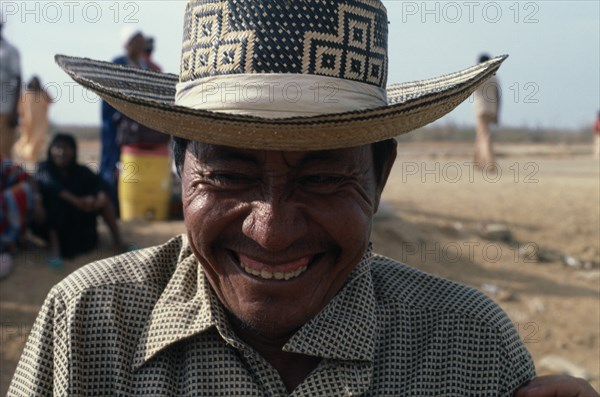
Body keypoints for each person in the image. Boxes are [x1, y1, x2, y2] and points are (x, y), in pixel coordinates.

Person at [9, 1, 599, 395]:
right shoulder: (89, 328)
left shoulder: (465, 348)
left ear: (380, 174)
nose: (271, 231)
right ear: (180, 167)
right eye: (229, 176)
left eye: (320, 180)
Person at [32, 133, 128, 266]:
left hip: (78, 223)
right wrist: (75, 201)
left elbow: (101, 184)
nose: (61, 152)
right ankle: (55, 247)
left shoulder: (81, 171)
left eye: (66, 148)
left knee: (106, 203)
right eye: (57, 147)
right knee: (53, 201)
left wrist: (98, 197)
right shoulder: (44, 168)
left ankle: (119, 242)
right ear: (51, 149)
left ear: (73, 151)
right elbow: (51, 185)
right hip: (53, 222)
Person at [99, 27, 147, 215]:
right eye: (138, 40)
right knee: (112, 162)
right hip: (115, 123)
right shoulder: (118, 63)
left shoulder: (142, 63)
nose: (142, 44)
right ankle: (109, 203)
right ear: (129, 43)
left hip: (135, 125)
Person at [0, 157, 43, 278]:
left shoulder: (3, 164)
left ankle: (11, 243)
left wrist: (37, 200)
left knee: (23, 189)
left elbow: (28, 177)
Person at [15, 76, 53, 163]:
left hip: (41, 123)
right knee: (27, 140)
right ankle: (26, 155)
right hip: (28, 123)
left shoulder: (43, 94)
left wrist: (44, 91)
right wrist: (21, 120)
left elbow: (51, 100)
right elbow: (20, 109)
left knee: (38, 140)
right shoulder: (25, 94)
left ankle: (33, 157)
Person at [473, 53, 501, 171]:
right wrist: (498, 114)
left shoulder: (477, 76)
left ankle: (490, 163)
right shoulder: (494, 77)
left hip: (481, 108)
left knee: (484, 136)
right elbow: (498, 96)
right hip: (492, 109)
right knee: (481, 135)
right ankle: (478, 162)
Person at [0, 17, 21, 159]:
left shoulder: (10, 51)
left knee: (4, 152)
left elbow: (18, 79)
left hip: (5, 110)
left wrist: (14, 111)